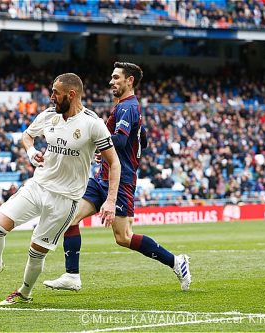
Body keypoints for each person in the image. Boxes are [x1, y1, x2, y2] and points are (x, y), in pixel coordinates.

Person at [0, 73, 121, 305]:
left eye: (55, 93)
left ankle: (24, 293)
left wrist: (110, 200)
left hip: (65, 199)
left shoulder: (93, 124)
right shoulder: (50, 115)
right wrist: (32, 153)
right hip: (37, 186)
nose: (51, 97)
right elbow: (27, 136)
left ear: (71, 95)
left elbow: (114, 163)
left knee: (36, 251)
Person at [43, 62, 192, 292]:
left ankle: (176, 261)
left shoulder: (128, 108)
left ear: (129, 80)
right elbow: (141, 140)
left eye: (116, 78)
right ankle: (72, 275)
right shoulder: (124, 107)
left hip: (120, 179)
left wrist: (94, 143)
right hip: (102, 176)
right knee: (69, 218)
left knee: (123, 237)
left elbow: (120, 141)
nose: (111, 82)